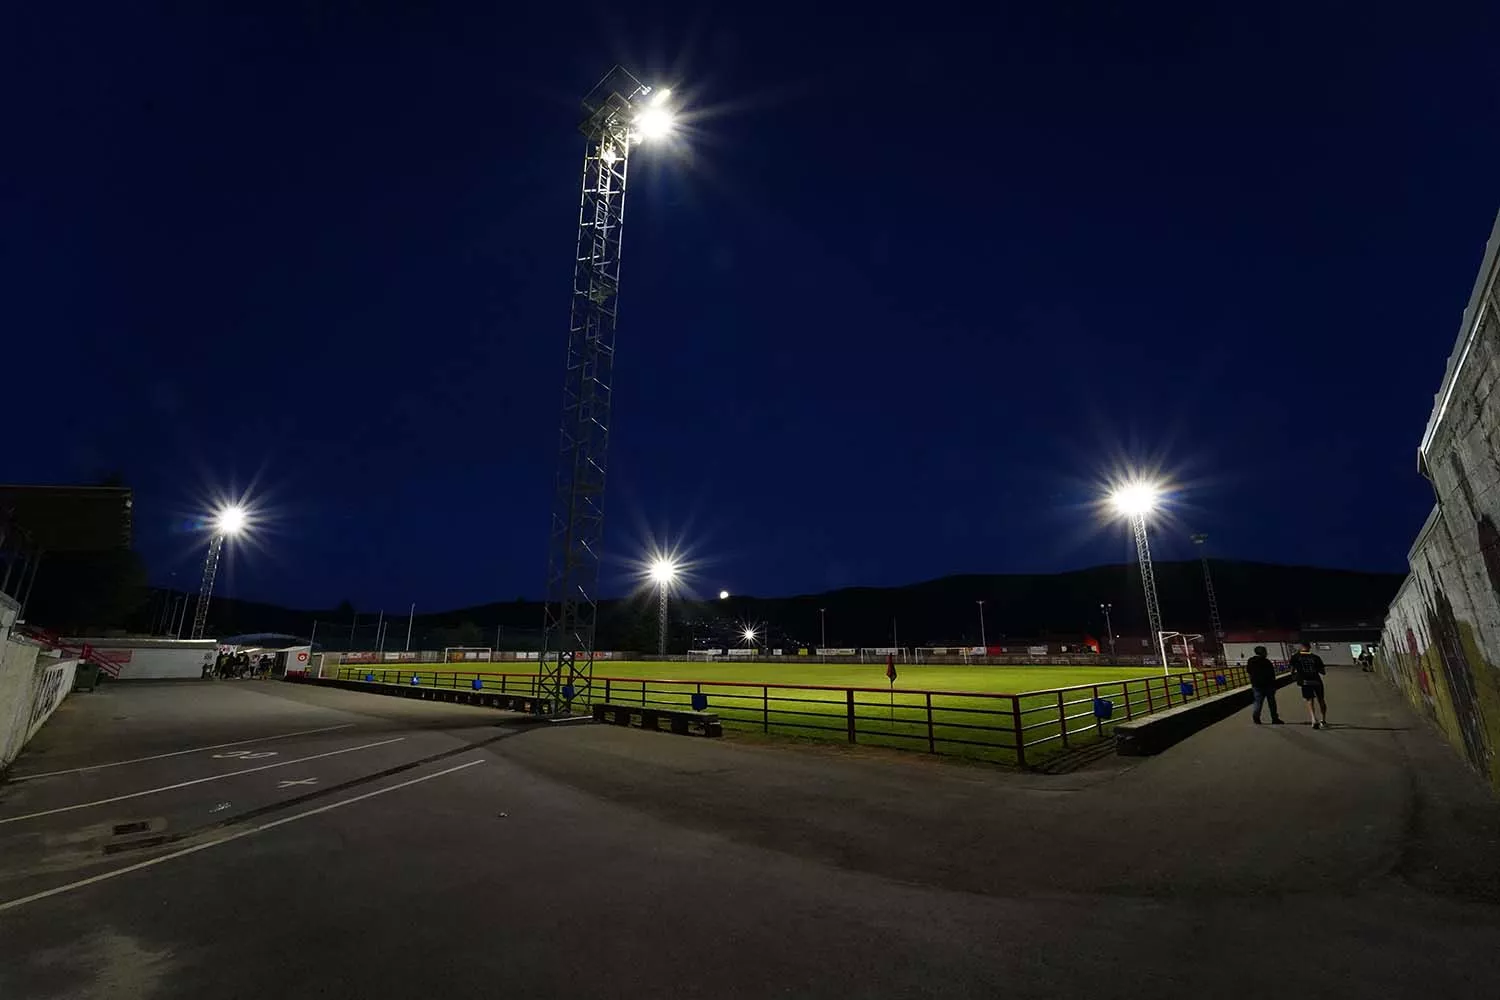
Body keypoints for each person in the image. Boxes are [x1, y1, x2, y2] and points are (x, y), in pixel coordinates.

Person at [1288, 641, 1328, 729]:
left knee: (1309, 700)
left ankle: (1313, 719)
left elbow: (1292, 670)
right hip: (1316, 680)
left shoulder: (1295, 657)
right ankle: (1323, 720)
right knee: (1321, 699)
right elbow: (1323, 672)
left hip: (1305, 681)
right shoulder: (1316, 657)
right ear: (1309, 647)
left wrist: (1294, 676)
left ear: (1301, 646)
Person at [1246, 645, 1282, 724]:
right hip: (1268, 685)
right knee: (1272, 703)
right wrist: (1274, 685)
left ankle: (1256, 717)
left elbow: (1249, 671)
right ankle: (1274, 718)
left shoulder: (1251, 661)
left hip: (1256, 685)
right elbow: (1272, 674)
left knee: (1258, 702)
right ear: (1263, 653)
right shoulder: (1267, 662)